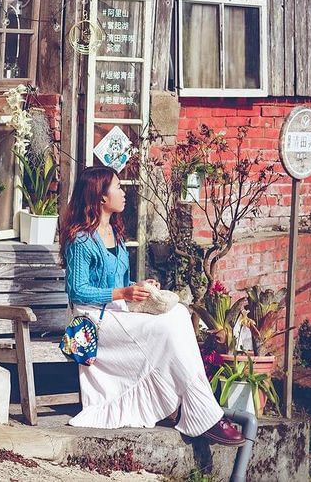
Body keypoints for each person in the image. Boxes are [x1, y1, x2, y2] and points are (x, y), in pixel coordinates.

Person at [61, 166, 243, 445]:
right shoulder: (81, 240)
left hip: (118, 313)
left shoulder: (116, 233)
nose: (123, 192)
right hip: (95, 321)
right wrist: (123, 292)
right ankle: (202, 414)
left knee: (179, 312)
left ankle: (198, 409)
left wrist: (140, 286)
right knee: (169, 327)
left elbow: (122, 282)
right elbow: (78, 290)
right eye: (118, 187)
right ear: (100, 197)